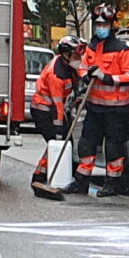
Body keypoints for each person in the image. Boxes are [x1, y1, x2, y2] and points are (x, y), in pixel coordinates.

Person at [72, 27, 129, 198]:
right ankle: (81, 182)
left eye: (104, 24)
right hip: (94, 106)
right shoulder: (92, 47)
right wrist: (86, 75)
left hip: (116, 108)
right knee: (86, 143)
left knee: (113, 147)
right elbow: (82, 67)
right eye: (98, 24)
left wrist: (107, 77)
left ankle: (112, 183)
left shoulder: (123, 50)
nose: (100, 28)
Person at [28, 38, 85, 200]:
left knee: (65, 144)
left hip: (54, 109)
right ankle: (39, 175)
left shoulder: (67, 66)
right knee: (56, 142)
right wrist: (59, 128)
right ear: (66, 54)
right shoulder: (56, 75)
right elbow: (57, 105)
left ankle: (55, 173)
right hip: (44, 111)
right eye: (75, 54)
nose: (77, 57)